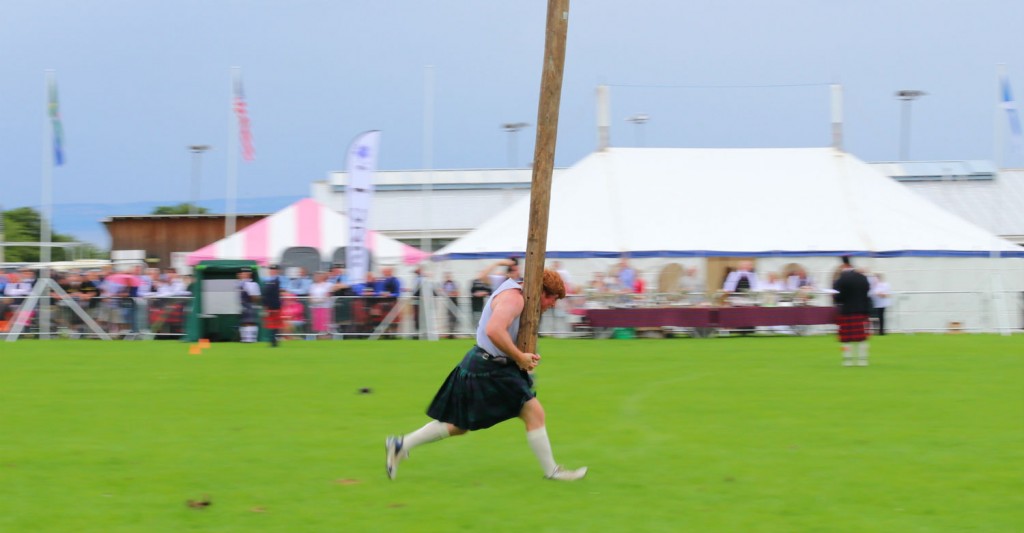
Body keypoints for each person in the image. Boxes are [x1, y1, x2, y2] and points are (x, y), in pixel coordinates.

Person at [385, 269, 587, 481]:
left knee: (459, 425)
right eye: (552, 298)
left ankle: (401, 444)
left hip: (486, 364)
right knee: (532, 412)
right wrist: (519, 356)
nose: (553, 304)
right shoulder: (514, 298)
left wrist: (523, 357)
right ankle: (553, 472)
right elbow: (494, 330)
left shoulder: (519, 296)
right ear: (541, 291)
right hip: (487, 367)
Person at [833, 256, 873, 366]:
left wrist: (837, 298)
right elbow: (868, 292)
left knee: (846, 338)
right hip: (862, 310)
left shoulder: (841, 279)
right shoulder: (863, 278)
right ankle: (863, 360)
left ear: (844, 265)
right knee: (862, 338)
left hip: (847, 311)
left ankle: (848, 360)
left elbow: (837, 297)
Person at [237, 267, 261, 343]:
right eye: (242, 273)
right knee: (244, 323)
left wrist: (252, 302)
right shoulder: (240, 284)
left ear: (249, 274)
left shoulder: (253, 284)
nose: (243, 275)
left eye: (245, 273)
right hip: (243, 305)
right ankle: (244, 339)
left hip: (250, 305)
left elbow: (256, 297)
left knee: (250, 322)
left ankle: (251, 339)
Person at [261, 264, 283, 347]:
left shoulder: (277, 281)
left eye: (273, 270)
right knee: (271, 325)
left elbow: (273, 295)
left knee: (275, 325)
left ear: (277, 271)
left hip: (274, 306)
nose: (272, 272)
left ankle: (274, 342)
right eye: (271, 270)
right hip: (269, 305)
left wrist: (273, 307)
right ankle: (273, 341)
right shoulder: (269, 280)